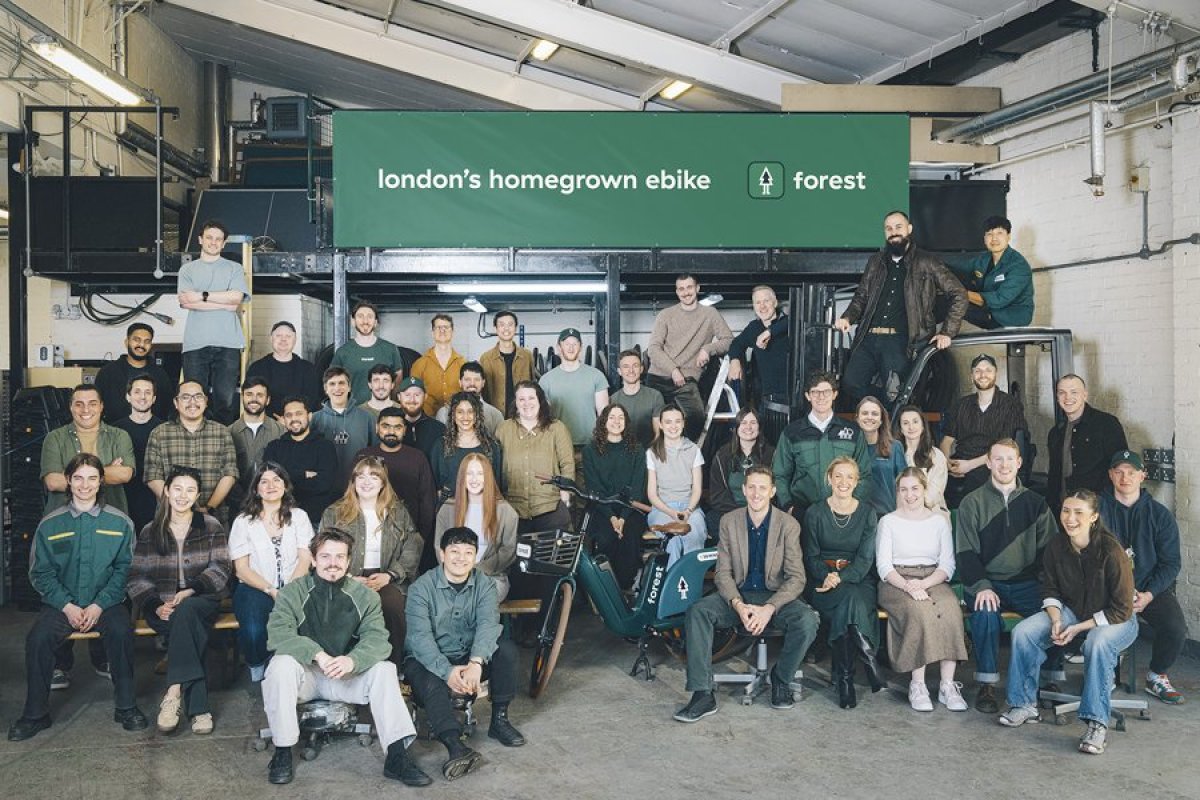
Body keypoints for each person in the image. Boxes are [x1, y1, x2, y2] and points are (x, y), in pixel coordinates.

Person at [262, 528, 427, 786]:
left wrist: (353, 660)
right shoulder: (292, 593)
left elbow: (377, 640)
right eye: (326, 556)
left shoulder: (366, 596)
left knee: (384, 669)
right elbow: (278, 635)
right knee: (280, 664)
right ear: (314, 560)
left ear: (349, 561)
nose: (333, 563)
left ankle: (397, 756)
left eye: (340, 557)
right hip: (307, 676)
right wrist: (317, 654)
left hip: (346, 675)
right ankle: (282, 751)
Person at [8, 453, 148, 741]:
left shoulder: (120, 523)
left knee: (122, 632)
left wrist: (99, 604)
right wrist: (67, 606)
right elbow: (40, 573)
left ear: (101, 483)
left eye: (92, 478)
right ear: (69, 481)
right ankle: (35, 714)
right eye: (79, 478)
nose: (85, 485)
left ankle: (126, 706)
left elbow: (127, 570)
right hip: (62, 604)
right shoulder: (50, 524)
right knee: (37, 639)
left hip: (106, 603)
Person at [999, 490, 1137, 757]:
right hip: (1073, 612)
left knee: (1097, 642)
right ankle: (1024, 705)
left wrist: (1077, 628)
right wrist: (1057, 620)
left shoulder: (1111, 551)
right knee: (1024, 632)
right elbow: (1049, 589)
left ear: (1094, 517)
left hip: (1117, 619)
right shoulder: (1057, 545)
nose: (1070, 518)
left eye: (1078, 513)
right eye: (1065, 511)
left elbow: (1122, 608)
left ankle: (1097, 724)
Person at [675, 467, 818, 722]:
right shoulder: (729, 521)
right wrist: (739, 605)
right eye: (751, 487)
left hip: (775, 597)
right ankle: (702, 693)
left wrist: (769, 608)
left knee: (807, 621)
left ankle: (781, 678)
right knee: (698, 612)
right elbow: (722, 573)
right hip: (737, 595)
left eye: (763, 487)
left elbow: (797, 578)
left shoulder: (789, 525)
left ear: (773, 491)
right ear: (743, 490)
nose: (756, 493)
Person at [404, 527, 525, 782]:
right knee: (431, 680)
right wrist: (446, 671)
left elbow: (488, 624)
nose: (461, 558)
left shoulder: (485, 584)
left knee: (507, 651)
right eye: (454, 551)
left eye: (468, 552)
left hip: (468, 655)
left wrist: (476, 663)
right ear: (442, 554)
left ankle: (499, 721)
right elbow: (420, 639)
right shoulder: (420, 588)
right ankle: (454, 745)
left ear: (475, 556)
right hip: (428, 659)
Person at [955, 438, 1059, 714]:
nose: (1003, 465)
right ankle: (987, 683)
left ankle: (1050, 677)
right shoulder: (971, 502)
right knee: (985, 611)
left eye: (1009, 459)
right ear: (988, 463)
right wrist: (982, 586)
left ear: (1019, 463)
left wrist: (1047, 590)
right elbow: (966, 553)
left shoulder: (1036, 503)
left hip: (1026, 583)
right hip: (988, 582)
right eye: (997, 459)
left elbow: (1050, 552)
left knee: (1055, 611)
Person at [126, 466, 231, 734]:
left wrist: (192, 589)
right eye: (178, 489)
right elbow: (137, 577)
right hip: (160, 606)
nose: (183, 496)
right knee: (186, 625)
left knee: (187, 613)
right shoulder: (151, 530)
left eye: (191, 490)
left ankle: (173, 693)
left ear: (198, 496)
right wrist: (154, 604)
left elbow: (221, 569)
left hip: (201, 600)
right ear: (166, 491)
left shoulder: (210, 526)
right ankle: (200, 710)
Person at [833, 210, 967, 405]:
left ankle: (891, 424)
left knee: (894, 393)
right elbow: (861, 297)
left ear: (909, 229)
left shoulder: (927, 261)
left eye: (898, 227)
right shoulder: (876, 262)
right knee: (851, 384)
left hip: (902, 341)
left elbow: (959, 294)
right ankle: (887, 406)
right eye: (888, 228)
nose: (893, 232)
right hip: (868, 338)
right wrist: (847, 318)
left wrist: (948, 332)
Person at [1100, 450, 1188, 704]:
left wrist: (1149, 594)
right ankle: (1105, 673)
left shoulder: (1159, 515)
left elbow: (1171, 563)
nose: (1124, 478)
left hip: (1149, 588)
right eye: (1118, 472)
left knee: (1175, 628)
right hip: (1108, 588)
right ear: (1110, 475)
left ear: (1142, 476)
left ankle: (1157, 675)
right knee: (1098, 628)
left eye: (1131, 472)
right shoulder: (1098, 508)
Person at [876, 468, 969, 712]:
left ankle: (947, 685)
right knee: (920, 611)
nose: (910, 495)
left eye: (915, 488)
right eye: (904, 489)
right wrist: (908, 586)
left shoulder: (938, 522)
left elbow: (947, 565)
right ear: (898, 492)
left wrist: (924, 584)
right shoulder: (888, 521)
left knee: (950, 609)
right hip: (896, 579)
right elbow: (884, 566)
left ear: (924, 490)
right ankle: (918, 685)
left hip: (932, 577)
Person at [319, 456, 423, 665]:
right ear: (353, 481)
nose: (367, 482)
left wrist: (391, 575)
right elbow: (322, 549)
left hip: (386, 576)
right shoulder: (335, 512)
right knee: (342, 608)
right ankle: (346, 666)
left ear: (383, 483)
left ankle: (393, 667)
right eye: (361, 476)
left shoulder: (397, 512)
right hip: (345, 576)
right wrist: (345, 577)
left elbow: (413, 544)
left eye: (374, 477)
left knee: (392, 607)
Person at [802, 457, 882, 709]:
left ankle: (844, 679)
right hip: (821, 581)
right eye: (838, 476)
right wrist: (826, 575)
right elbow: (810, 556)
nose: (843, 482)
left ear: (857, 482)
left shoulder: (868, 513)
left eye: (850, 477)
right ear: (829, 479)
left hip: (858, 579)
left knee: (850, 600)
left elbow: (865, 558)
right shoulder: (815, 512)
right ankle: (867, 655)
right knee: (850, 603)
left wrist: (841, 577)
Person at [228, 462, 315, 682]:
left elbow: (306, 558)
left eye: (277, 480)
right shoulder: (243, 522)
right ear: (256, 489)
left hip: (296, 584)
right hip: (255, 586)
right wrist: (271, 589)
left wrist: (288, 590)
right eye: (263, 481)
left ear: (285, 486)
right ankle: (259, 667)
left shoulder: (299, 517)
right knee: (255, 630)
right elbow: (241, 569)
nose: (270, 485)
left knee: (308, 623)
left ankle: (301, 671)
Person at [772, 371, 872, 522]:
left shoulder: (852, 432)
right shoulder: (792, 433)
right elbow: (779, 475)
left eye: (826, 392)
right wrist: (788, 506)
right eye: (815, 392)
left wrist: (851, 505)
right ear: (808, 396)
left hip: (843, 514)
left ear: (834, 394)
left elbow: (864, 475)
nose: (821, 397)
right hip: (802, 514)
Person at [177, 219, 250, 424]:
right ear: (200, 240)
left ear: (224, 243)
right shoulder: (187, 270)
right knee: (193, 399)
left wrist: (202, 296)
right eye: (209, 237)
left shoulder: (234, 268)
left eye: (218, 239)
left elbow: (235, 301)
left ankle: (222, 443)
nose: (213, 242)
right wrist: (222, 300)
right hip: (195, 343)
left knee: (225, 401)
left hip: (228, 343)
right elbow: (185, 302)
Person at [645, 273, 733, 439]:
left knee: (696, 418)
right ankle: (657, 460)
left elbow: (729, 340)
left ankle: (686, 457)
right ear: (677, 292)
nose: (686, 292)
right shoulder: (665, 315)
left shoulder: (710, 314)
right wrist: (673, 370)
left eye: (689, 287)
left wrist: (708, 348)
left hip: (687, 381)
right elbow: (653, 349)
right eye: (681, 289)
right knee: (652, 424)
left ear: (697, 288)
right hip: (658, 377)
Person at [939, 354, 1029, 508]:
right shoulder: (961, 405)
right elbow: (947, 440)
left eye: (988, 370)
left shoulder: (1010, 405)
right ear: (971, 376)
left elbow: (1005, 448)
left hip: (993, 464)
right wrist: (947, 462)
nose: (983, 375)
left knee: (976, 486)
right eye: (978, 371)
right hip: (961, 460)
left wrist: (968, 466)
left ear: (995, 373)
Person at [145, 381, 238, 523]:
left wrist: (208, 508)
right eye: (186, 397)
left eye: (198, 396)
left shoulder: (222, 432)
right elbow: (152, 476)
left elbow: (230, 474)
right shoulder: (159, 433)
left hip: (214, 516)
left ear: (206, 402)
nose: (192, 402)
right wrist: (179, 507)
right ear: (176, 403)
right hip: (171, 517)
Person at [355, 408, 437, 568]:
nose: (391, 431)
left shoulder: (417, 457)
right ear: (377, 427)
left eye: (397, 427)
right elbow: (350, 494)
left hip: (407, 537)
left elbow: (428, 500)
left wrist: (420, 537)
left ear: (404, 430)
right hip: (367, 535)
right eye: (386, 426)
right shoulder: (364, 456)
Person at [581, 404, 649, 590]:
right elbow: (594, 488)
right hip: (602, 508)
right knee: (606, 538)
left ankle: (626, 587)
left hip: (631, 508)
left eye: (621, 418)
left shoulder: (637, 449)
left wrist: (623, 518)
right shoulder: (590, 451)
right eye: (612, 417)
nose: (616, 422)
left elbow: (637, 487)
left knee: (630, 537)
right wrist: (612, 517)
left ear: (626, 422)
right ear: (604, 421)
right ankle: (607, 589)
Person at [434, 454, 520, 601]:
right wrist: (456, 571)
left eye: (480, 474)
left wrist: (477, 570)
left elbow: (508, 550)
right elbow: (439, 546)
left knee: (473, 598)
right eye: (469, 473)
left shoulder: (505, 511)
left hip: (491, 578)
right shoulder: (448, 508)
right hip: (454, 577)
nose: (474, 479)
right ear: (462, 477)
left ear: (488, 477)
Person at [41, 384, 135, 515]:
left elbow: (125, 474)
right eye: (79, 404)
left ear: (101, 406)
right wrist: (108, 470)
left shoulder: (119, 436)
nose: (86, 410)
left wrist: (71, 475)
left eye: (92, 404)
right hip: (63, 520)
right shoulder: (54, 438)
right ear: (71, 407)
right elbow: (53, 482)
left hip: (110, 519)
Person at [493, 381, 574, 533]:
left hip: (550, 507)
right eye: (521, 399)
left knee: (553, 555)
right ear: (515, 403)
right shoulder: (503, 429)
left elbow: (567, 464)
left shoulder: (557, 428)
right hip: (513, 509)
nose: (526, 403)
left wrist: (565, 496)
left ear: (540, 401)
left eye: (531, 398)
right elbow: (494, 467)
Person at [1047, 374, 1128, 513]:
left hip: (1099, 511)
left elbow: (1121, 468)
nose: (1068, 398)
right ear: (1057, 397)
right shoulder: (1055, 432)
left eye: (1074, 392)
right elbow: (1054, 476)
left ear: (1085, 395)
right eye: (1062, 393)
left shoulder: (1106, 424)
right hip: (1065, 511)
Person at [646, 405, 707, 566]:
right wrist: (671, 512)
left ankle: (690, 585)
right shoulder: (652, 452)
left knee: (694, 534)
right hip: (662, 509)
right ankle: (673, 587)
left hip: (690, 507)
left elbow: (697, 488)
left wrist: (688, 511)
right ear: (660, 424)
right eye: (668, 422)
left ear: (683, 423)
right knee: (673, 540)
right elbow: (652, 494)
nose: (673, 426)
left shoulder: (693, 450)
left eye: (677, 421)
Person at [263, 397, 340, 525]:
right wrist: (303, 474)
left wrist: (286, 478)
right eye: (289, 415)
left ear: (309, 416)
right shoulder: (274, 447)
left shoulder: (325, 446)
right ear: (284, 419)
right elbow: (269, 483)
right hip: (281, 520)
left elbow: (324, 485)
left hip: (316, 521)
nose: (294, 419)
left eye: (299, 413)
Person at [727, 285, 790, 440]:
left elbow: (795, 319)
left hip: (790, 396)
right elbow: (736, 345)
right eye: (758, 302)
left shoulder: (789, 324)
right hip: (766, 398)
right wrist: (734, 361)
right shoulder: (753, 328)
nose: (762, 306)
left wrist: (769, 332)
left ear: (775, 303)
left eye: (766, 301)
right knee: (766, 442)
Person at [953, 216, 1034, 329]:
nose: (994, 238)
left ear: (1008, 236)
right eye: (989, 234)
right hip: (989, 311)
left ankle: (940, 339)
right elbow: (959, 266)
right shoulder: (983, 259)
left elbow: (999, 299)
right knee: (943, 300)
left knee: (953, 302)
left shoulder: (1018, 266)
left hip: (1010, 317)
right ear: (984, 238)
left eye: (999, 233)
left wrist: (960, 293)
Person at [706, 406, 774, 536]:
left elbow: (775, 488)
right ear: (736, 428)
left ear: (759, 428)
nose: (748, 427)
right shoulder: (722, 455)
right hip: (731, 510)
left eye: (753, 423)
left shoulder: (771, 454)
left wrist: (756, 511)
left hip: (763, 510)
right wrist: (741, 513)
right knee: (713, 519)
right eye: (743, 423)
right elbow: (717, 495)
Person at [112, 374, 167, 532]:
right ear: (128, 397)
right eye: (137, 392)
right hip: (123, 496)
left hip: (155, 497)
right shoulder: (115, 430)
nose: (142, 397)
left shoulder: (165, 429)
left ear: (154, 398)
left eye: (148, 392)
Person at [538, 327, 609, 448]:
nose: (571, 348)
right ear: (559, 348)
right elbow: (544, 416)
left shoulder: (596, 376)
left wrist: (603, 442)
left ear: (580, 347)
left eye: (575, 344)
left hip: (590, 444)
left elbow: (604, 414)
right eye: (566, 344)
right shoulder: (546, 380)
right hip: (558, 444)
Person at [429, 393, 503, 503]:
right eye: (460, 412)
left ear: (477, 414)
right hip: (450, 508)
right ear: (453, 415)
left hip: (483, 508)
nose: (465, 417)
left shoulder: (491, 446)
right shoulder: (440, 446)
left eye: (470, 411)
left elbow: (497, 485)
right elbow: (435, 487)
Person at [330, 300, 406, 405]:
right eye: (360, 316)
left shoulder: (390, 349)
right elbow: (333, 384)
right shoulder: (343, 352)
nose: (365, 321)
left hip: (383, 414)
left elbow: (397, 381)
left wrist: (391, 407)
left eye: (370, 316)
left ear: (375, 322)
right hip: (353, 414)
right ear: (353, 321)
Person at [94, 322, 174, 422]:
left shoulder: (160, 375)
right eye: (137, 340)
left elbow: (169, 408)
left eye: (147, 341)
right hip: (115, 433)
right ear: (126, 342)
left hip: (153, 433)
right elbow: (96, 406)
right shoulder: (108, 373)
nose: (141, 345)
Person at [227, 377, 285, 514]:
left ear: (268, 399)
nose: (254, 399)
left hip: (273, 504)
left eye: (260, 395)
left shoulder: (281, 432)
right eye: (249, 394)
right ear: (242, 397)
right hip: (237, 506)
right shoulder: (227, 433)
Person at [311, 366, 376, 485]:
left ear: (349, 387)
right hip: (324, 486)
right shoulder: (314, 419)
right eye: (332, 384)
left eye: (341, 383)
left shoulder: (367, 418)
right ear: (325, 388)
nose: (337, 388)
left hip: (358, 485)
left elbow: (375, 453)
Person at [245, 320, 323, 419]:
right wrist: (274, 422)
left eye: (288, 336)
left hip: (299, 424)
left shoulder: (308, 369)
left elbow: (313, 402)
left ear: (295, 340)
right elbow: (252, 401)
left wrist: (290, 420)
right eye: (278, 336)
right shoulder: (257, 368)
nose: (283, 340)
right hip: (266, 425)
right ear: (271, 339)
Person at [479, 309, 537, 418]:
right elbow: (483, 391)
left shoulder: (527, 356)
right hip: (495, 417)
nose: (506, 328)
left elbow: (532, 386)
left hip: (522, 416)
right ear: (496, 329)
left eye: (510, 324)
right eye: (501, 325)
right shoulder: (486, 358)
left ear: (515, 328)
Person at [856, 396, 907, 516]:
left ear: (881, 419)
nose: (869, 417)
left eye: (874, 414)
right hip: (858, 516)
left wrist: (900, 515)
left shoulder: (895, 447)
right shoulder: (849, 447)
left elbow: (903, 484)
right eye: (865, 413)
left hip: (887, 514)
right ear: (857, 419)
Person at [896, 405, 949, 516]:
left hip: (932, 513)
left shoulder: (936, 456)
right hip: (900, 513)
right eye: (905, 423)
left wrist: (912, 507)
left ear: (923, 426)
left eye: (915, 422)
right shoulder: (895, 454)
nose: (911, 427)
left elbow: (933, 495)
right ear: (900, 429)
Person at [410, 314, 467, 417]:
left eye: (446, 327)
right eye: (438, 327)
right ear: (432, 332)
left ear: (452, 332)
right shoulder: (419, 364)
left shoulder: (463, 363)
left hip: (456, 420)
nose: (442, 330)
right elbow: (413, 395)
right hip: (428, 420)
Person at [609, 348, 664, 447]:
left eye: (635, 366)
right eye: (626, 367)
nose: (631, 370)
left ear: (641, 369)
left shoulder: (655, 396)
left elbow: (658, 434)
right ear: (619, 371)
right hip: (622, 455)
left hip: (648, 454)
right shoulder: (612, 400)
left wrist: (651, 456)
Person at [434, 361, 504, 435]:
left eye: (477, 379)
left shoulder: (495, 415)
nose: (472, 383)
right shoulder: (444, 413)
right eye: (467, 379)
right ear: (460, 382)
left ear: (483, 383)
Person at [397, 376, 447, 465]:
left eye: (417, 395)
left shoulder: (439, 429)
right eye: (407, 395)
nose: (412, 400)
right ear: (399, 397)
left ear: (425, 397)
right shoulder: (392, 429)